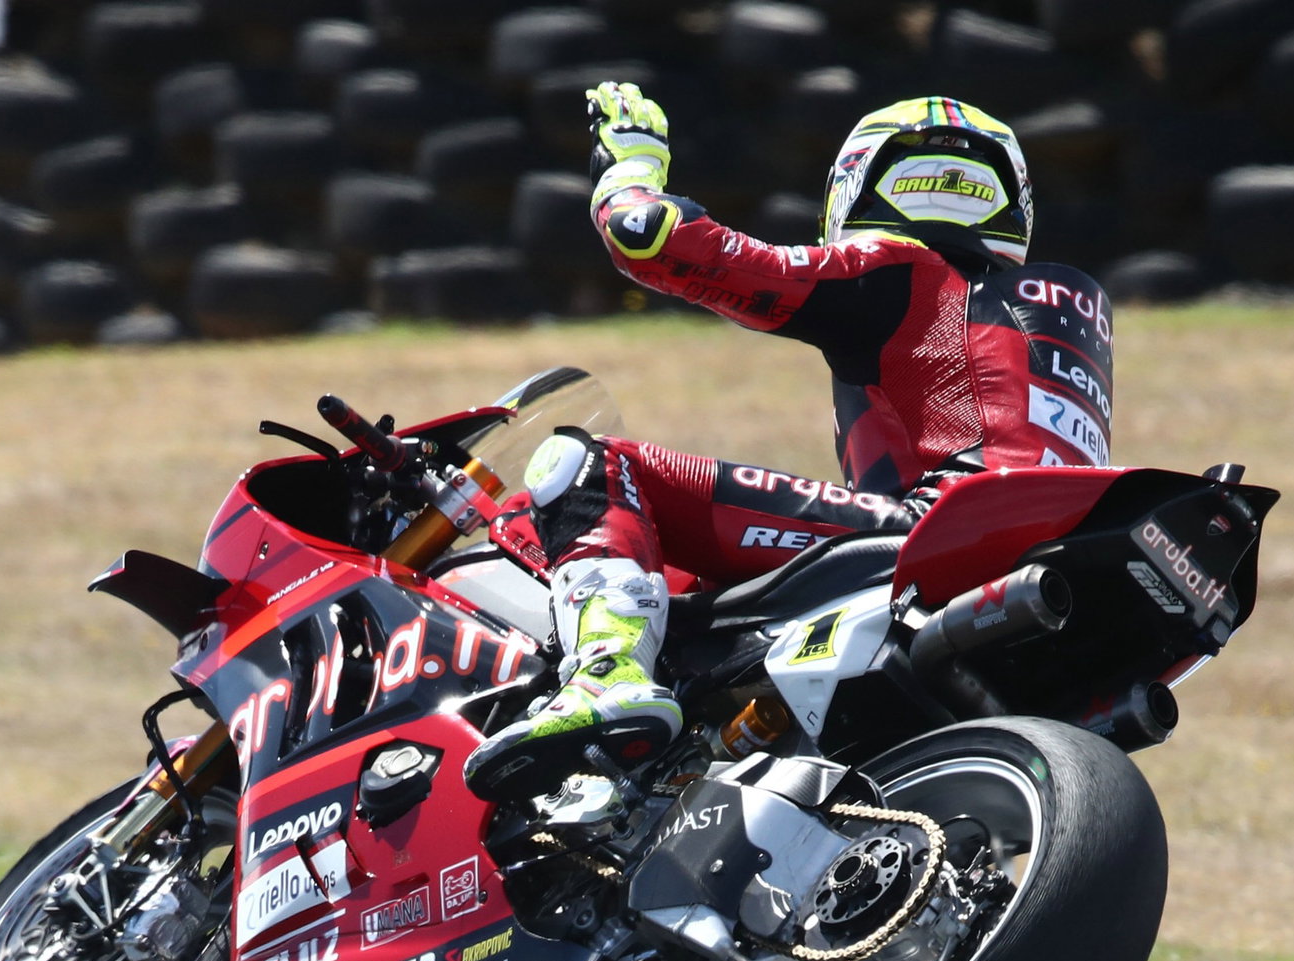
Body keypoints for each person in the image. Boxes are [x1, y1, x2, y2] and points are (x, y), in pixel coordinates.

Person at [464, 84, 1115, 801]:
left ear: (859, 185)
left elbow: (653, 239)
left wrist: (630, 168)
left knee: (585, 465)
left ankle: (607, 674)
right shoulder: (1070, 311)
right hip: (1061, 573)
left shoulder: (901, 272)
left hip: (929, 539)